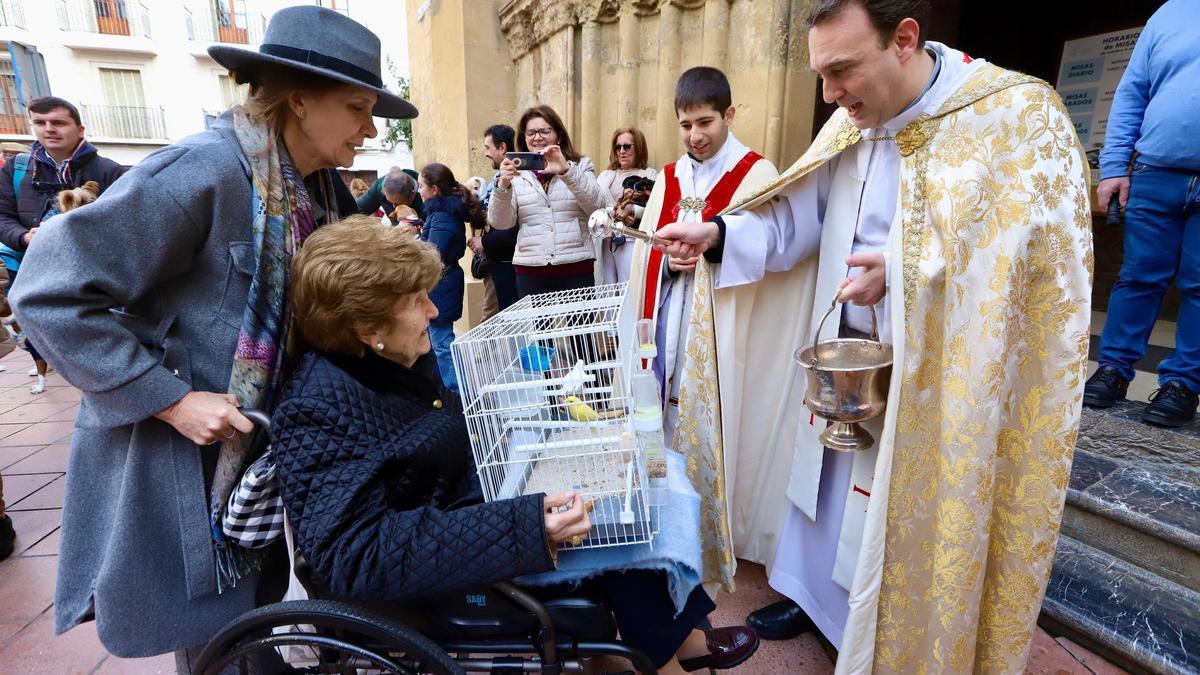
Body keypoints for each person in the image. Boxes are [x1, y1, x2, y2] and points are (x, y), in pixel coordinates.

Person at [655, 1, 1092, 671]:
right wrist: (715, 235)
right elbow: (793, 224)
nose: (829, 95)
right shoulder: (850, 123)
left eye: (842, 71)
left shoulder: (1012, 115)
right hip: (841, 354)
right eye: (820, 76)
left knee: (899, 506)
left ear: (904, 39)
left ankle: (891, 629)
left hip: (933, 367)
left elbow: (1035, 269)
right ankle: (816, 600)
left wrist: (902, 274)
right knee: (827, 486)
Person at [9, 6, 418, 664]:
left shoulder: (316, 189)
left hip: (262, 454)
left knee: (255, 627)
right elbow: (44, 292)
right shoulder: (200, 171)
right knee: (216, 640)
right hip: (189, 459)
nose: (371, 129)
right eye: (358, 108)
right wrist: (171, 400)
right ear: (298, 97)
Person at [275, 216, 759, 675]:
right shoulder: (315, 408)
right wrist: (526, 525)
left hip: (477, 503)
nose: (434, 311)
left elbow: (452, 432)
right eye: (417, 300)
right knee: (626, 526)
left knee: (637, 483)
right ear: (367, 328)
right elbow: (355, 555)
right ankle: (668, 658)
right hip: (448, 571)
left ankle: (677, 639)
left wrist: (543, 432)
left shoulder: (393, 360)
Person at [628, 68, 777, 452]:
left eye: (705, 122)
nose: (695, 135)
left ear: (729, 115)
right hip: (668, 320)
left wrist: (716, 252)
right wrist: (666, 265)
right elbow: (645, 254)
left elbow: (771, 254)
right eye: (686, 125)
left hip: (719, 327)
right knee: (662, 432)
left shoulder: (757, 173)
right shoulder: (669, 177)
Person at [1084, 0, 1200, 427]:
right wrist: (1115, 166)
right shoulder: (1171, 12)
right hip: (1155, 171)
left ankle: (1183, 384)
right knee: (1137, 277)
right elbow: (1133, 91)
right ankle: (1113, 370)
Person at [0, 97, 125, 395]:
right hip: (32, 267)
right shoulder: (16, 170)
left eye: (58, 122)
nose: (49, 129)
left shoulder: (109, 171)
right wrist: (24, 237)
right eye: (40, 123)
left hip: (91, 274)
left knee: (99, 340)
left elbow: (126, 224)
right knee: (44, 335)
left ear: (79, 129)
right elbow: (2, 217)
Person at [488, 105, 609, 299]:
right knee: (537, 321)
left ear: (559, 135)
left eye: (544, 131)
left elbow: (598, 206)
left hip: (575, 265)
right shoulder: (514, 172)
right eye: (531, 133)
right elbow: (501, 223)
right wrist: (503, 185)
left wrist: (566, 171)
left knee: (580, 320)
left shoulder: (579, 165)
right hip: (531, 268)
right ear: (524, 138)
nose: (537, 137)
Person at [416, 162, 472, 394]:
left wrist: (413, 245)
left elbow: (433, 252)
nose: (418, 190)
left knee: (441, 343)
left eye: (421, 186)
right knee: (437, 341)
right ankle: (447, 390)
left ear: (434, 189)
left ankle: (459, 392)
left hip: (442, 284)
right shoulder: (441, 213)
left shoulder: (442, 216)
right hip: (443, 283)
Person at [597, 127, 658, 285]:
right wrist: (616, 212)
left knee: (630, 287)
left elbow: (655, 210)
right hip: (607, 239)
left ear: (638, 148)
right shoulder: (606, 176)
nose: (622, 151)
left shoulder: (649, 174)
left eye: (627, 146)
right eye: (618, 147)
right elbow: (597, 205)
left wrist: (633, 210)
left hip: (633, 239)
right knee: (607, 289)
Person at [472, 123, 519, 317]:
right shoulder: (498, 178)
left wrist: (484, 241)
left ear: (502, 148)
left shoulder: (515, 179)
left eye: (487, 147)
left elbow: (511, 228)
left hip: (506, 263)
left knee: (492, 321)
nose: (485, 153)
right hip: (498, 262)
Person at [358, 165, 424, 224]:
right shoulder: (379, 187)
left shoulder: (427, 190)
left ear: (412, 195)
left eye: (397, 204)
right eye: (389, 201)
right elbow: (357, 210)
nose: (393, 206)